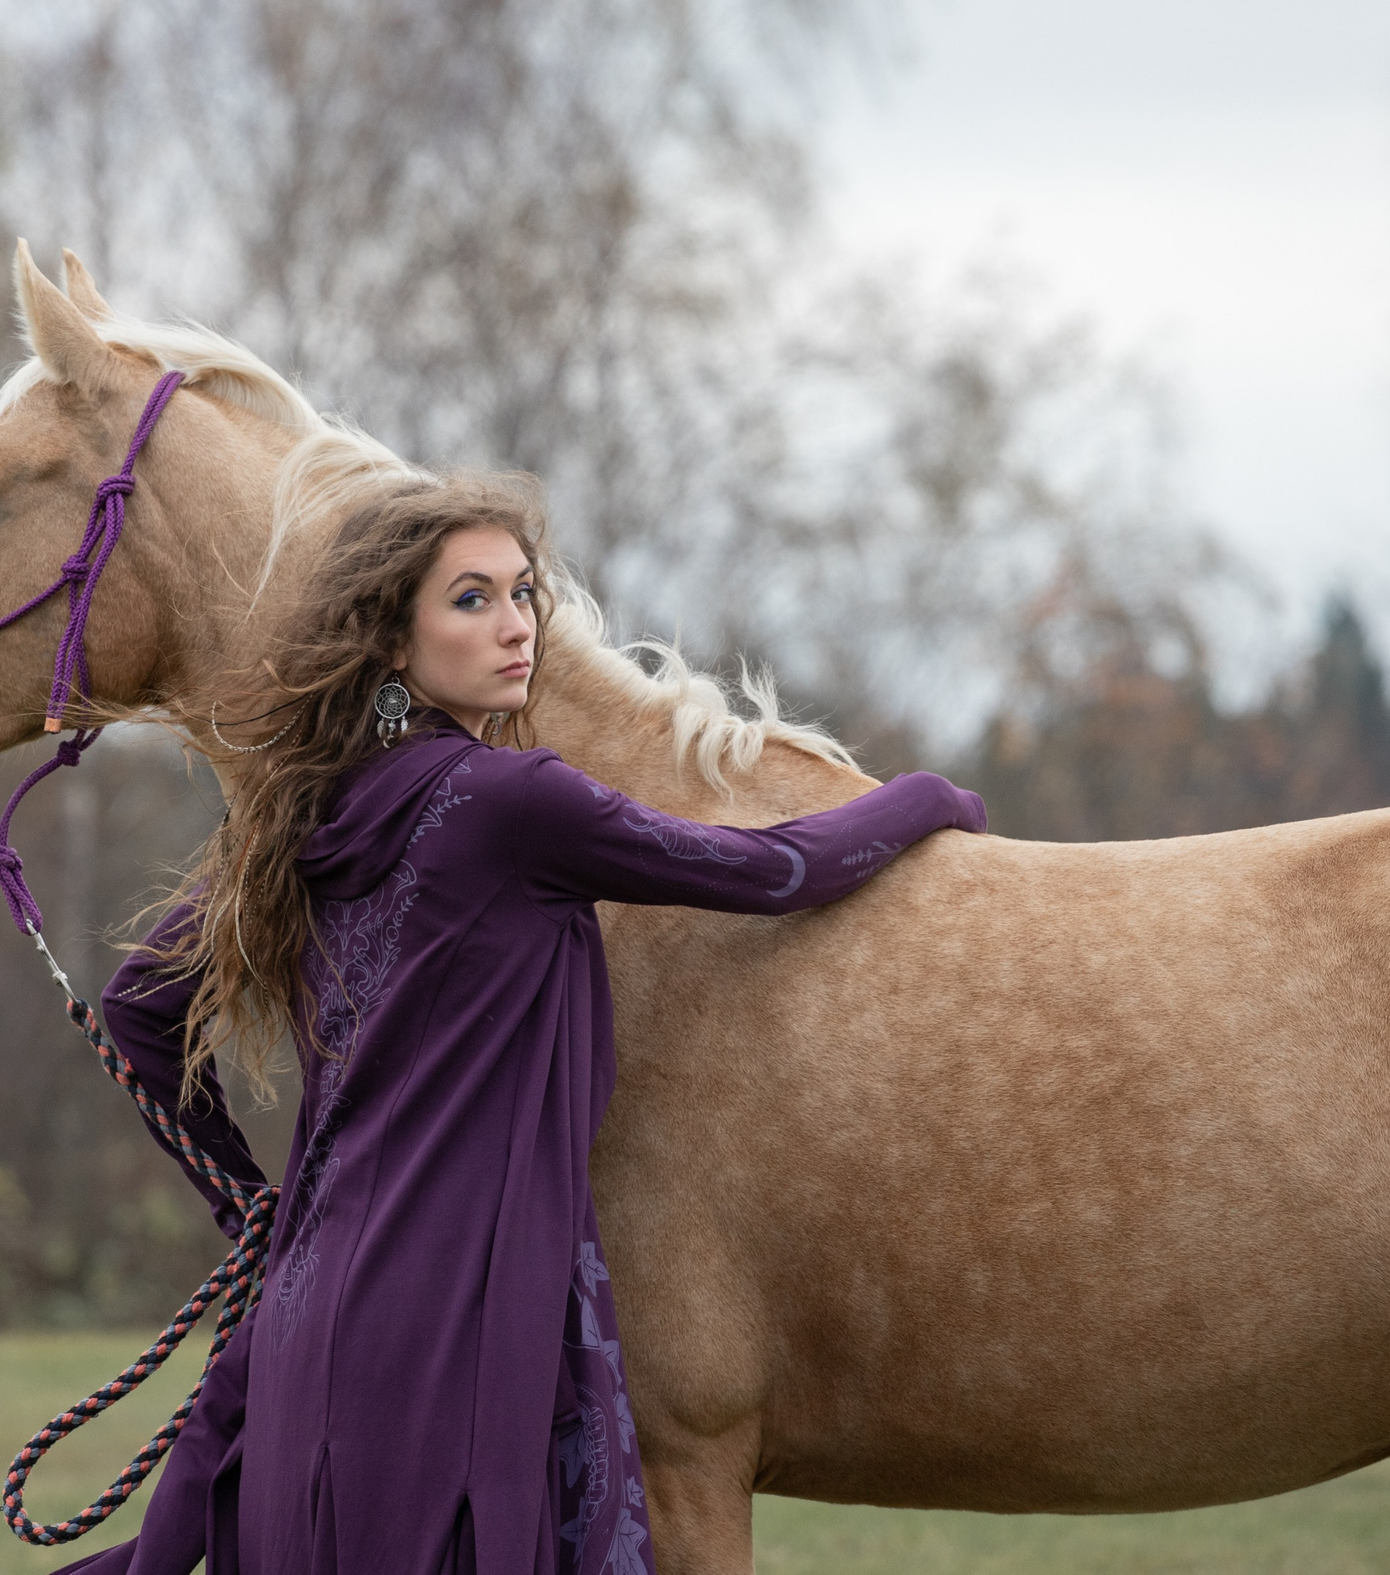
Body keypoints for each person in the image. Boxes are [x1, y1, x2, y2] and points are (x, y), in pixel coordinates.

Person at [66, 473, 985, 1575]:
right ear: (391, 643)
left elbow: (137, 1015)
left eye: (523, 593)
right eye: (471, 599)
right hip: (453, 1323)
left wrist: (260, 1215)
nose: (515, 628)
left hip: (305, 1321)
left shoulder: (298, 808)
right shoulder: (511, 801)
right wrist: (930, 800)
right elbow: (773, 868)